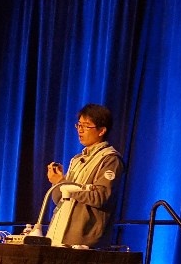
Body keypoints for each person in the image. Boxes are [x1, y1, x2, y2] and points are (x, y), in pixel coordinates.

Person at [45, 103, 123, 247]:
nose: (80, 130)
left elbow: (100, 197)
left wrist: (63, 183)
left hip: (83, 241)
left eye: (86, 126)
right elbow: (59, 199)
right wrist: (57, 182)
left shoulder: (110, 159)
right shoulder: (76, 160)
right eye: (79, 125)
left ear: (102, 131)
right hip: (59, 236)